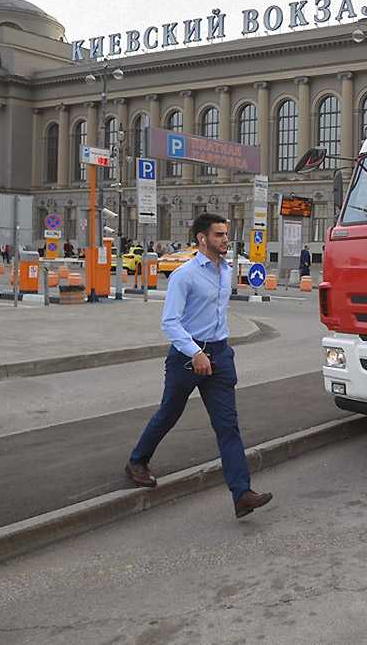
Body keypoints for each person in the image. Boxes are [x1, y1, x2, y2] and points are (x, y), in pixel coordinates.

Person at [125, 213, 272, 519]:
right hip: (186, 357)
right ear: (202, 239)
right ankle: (137, 460)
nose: (225, 239)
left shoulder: (225, 270)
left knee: (227, 426)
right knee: (169, 413)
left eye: (226, 234)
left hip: (219, 354)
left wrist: (219, 350)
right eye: (219, 235)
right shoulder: (185, 275)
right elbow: (170, 322)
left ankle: (242, 493)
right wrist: (195, 352)